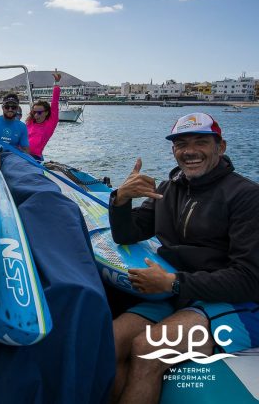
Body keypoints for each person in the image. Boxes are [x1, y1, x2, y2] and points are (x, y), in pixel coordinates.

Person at [108, 112, 259, 404]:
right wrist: (121, 200)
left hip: (237, 303)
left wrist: (174, 283)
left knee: (148, 349)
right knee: (110, 342)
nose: (189, 151)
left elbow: (250, 279)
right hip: (179, 294)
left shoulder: (246, 197)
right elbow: (128, 234)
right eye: (181, 144)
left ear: (221, 147)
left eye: (201, 142)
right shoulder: (169, 189)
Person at [26, 71, 62, 160]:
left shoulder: (50, 124)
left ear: (46, 112)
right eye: (34, 112)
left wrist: (56, 84)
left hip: (34, 157)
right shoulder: (29, 123)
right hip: (19, 153)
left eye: (39, 112)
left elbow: (54, 102)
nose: (36, 115)